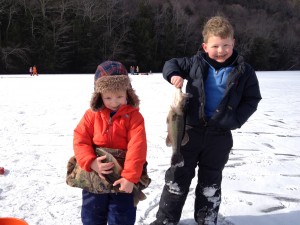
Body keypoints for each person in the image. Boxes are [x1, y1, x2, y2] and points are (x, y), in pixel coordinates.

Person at [150, 16, 262, 225]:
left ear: (233, 43)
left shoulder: (245, 71)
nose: (221, 50)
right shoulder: (194, 63)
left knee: (210, 180)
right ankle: (165, 220)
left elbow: (252, 99)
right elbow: (170, 64)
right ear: (205, 46)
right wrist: (174, 75)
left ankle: (206, 219)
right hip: (189, 132)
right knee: (177, 177)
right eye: (215, 46)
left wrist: (235, 120)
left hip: (219, 135)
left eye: (226, 45)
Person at [73, 61, 147, 225]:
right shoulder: (91, 115)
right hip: (95, 174)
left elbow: (138, 148)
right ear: (99, 96)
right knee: (92, 215)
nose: (114, 102)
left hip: (123, 175)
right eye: (108, 97)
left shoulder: (135, 118)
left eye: (119, 96)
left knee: (122, 216)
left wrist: (130, 177)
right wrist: (90, 162)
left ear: (128, 93)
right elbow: (80, 139)